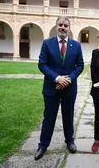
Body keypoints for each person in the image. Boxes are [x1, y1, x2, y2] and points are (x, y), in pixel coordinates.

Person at [34, 16, 84, 160]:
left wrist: (68, 79)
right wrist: (57, 78)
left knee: (68, 116)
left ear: (69, 28)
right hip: (51, 87)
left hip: (69, 88)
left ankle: (70, 141)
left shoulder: (76, 45)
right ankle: (43, 145)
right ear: (56, 27)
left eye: (65, 25)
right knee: (49, 117)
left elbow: (80, 65)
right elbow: (42, 64)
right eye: (60, 25)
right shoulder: (47, 43)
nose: (63, 27)